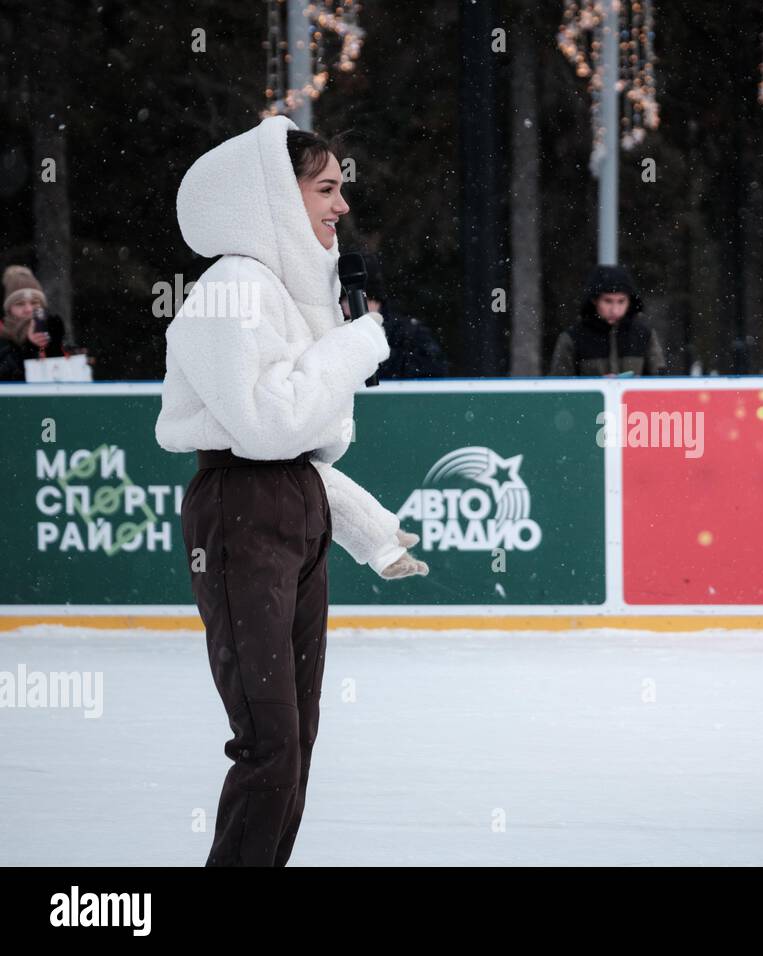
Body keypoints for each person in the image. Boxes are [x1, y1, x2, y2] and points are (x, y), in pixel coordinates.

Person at [155, 116, 429, 866]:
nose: (342, 206)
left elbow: (297, 456)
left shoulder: (275, 292)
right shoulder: (231, 289)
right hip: (243, 516)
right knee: (271, 743)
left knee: (295, 744)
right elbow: (268, 426)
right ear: (275, 194)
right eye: (326, 188)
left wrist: (371, 531)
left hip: (286, 511)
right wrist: (356, 343)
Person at [340, 251, 450, 378]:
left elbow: (436, 371)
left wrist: (382, 356)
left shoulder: (407, 333)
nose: (352, 309)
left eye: (366, 299)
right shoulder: (332, 334)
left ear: (376, 300)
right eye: (346, 301)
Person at [548, 263, 667, 376]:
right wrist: (597, 386)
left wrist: (637, 386)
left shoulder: (644, 335)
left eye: (621, 301)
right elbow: (559, 389)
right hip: (594, 398)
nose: (615, 310)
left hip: (632, 398)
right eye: (608, 301)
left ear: (630, 301)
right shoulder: (573, 339)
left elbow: (660, 383)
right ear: (594, 300)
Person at [1, 265, 68, 380]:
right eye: (20, 304)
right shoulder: (3, 338)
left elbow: (64, 379)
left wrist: (55, 346)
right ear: (9, 310)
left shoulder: (49, 332)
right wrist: (29, 347)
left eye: (34, 303)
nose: (28, 310)